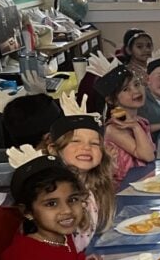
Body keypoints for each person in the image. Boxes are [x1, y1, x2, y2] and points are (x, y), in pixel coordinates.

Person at [42, 91, 115, 250]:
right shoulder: (51, 192)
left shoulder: (93, 186)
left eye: (95, 144)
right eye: (75, 141)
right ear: (54, 150)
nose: (86, 148)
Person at [95, 65, 155, 185]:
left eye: (137, 84)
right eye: (126, 89)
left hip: (143, 181)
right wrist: (136, 127)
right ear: (112, 100)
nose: (136, 91)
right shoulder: (113, 129)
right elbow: (147, 156)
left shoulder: (141, 121)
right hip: (123, 190)